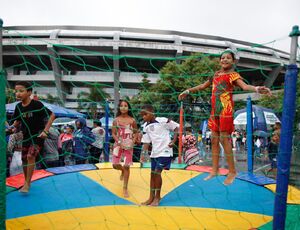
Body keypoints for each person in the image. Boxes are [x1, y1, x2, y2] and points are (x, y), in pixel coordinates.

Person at [178, 49, 271, 185]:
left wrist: (257, 89)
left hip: (225, 110)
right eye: (222, 58)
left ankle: (232, 171)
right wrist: (187, 91)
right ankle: (214, 170)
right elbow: (203, 86)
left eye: (228, 58)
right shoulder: (215, 75)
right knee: (214, 140)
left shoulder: (233, 75)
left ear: (233, 61)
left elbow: (244, 87)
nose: (225, 60)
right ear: (219, 60)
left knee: (224, 139)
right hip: (215, 110)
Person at [10, 81, 56, 192]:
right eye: (16, 91)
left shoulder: (37, 104)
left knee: (31, 156)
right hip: (25, 136)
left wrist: (45, 131)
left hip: (38, 135)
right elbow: (17, 121)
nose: (18, 93)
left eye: (21, 91)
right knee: (24, 159)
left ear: (29, 92)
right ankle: (26, 181)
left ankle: (27, 183)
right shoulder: (18, 107)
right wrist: (11, 128)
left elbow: (52, 115)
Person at [140, 104, 179, 206]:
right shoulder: (145, 126)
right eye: (142, 115)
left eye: (145, 114)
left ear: (152, 112)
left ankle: (157, 197)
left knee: (157, 173)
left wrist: (174, 141)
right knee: (152, 174)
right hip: (155, 153)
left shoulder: (162, 120)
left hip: (165, 152)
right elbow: (146, 142)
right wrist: (143, 155)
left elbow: (176, 128)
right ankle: (151, 197)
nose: (143, 117)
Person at [112, 100, 137, 197]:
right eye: (121, 105)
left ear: (128, 107)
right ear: (119, 107)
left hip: (128, 145)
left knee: (127, 166)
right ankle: (121, 170)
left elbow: (136, 133)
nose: (123, 107)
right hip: (118, 144)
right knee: (115, 164)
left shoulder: (132, 120)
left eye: (125, 105)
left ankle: (125, 188)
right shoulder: (116, 120)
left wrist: (133, 142)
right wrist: (118, 142)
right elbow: (113, 133)